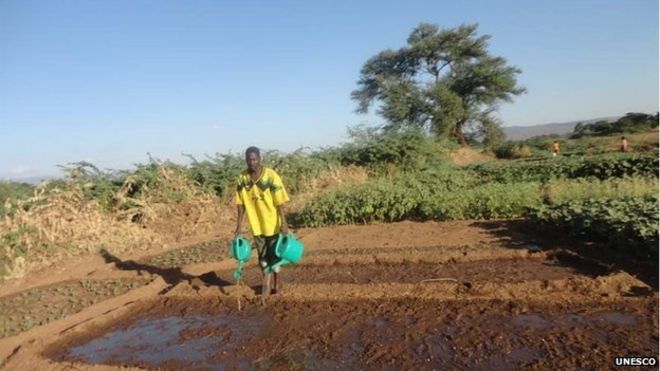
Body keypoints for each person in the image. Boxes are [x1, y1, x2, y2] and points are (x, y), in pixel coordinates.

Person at [234, 146, 290, 300]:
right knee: (262, 256)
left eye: (254, 159)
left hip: (272, 223)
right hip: (256, 224)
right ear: (245, 160)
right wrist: (239, 225)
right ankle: (266, 280)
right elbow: (240, 204)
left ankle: (276, 285)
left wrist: (283, 222)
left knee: (275, 254)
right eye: (248, 160)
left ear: (259, 159)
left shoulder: (271, 176)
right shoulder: (242, 178)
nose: (251, 162)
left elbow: (279, 202)